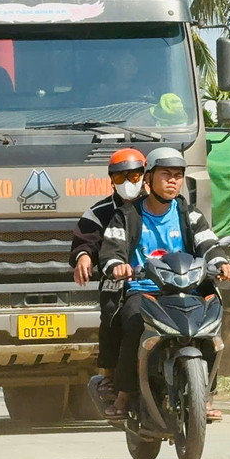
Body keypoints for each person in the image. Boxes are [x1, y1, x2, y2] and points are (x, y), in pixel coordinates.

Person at [98, 147, 230, 420]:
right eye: (166, 174)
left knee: (210, 330)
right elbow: (111, 250)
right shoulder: (127, 216)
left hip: (187, 291)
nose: (173, 181)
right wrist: (117, 266)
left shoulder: (190, 214)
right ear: (148, 179)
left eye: (178, 175)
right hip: (145, 292)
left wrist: (221, 264)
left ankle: (205, 395)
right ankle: (125, 394)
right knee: (134, 324)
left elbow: (208, 244)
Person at [69, 148, 147, 403]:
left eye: (134, 176)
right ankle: (110, 375)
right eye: (120, 177)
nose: (128, 183)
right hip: (120, 279)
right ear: (111, 179)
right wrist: (83, 256)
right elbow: (85, 240)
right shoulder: (99, 211)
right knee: (112, 313)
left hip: (162, 280)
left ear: (145, 176)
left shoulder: (162, 206)